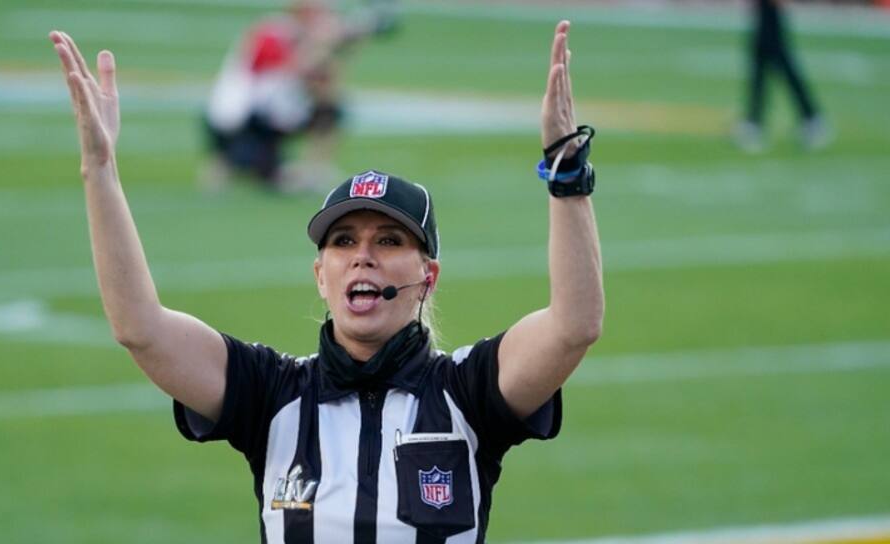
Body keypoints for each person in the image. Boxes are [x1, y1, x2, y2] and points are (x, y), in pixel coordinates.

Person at [48, 19, 603, 543]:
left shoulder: (467, 390)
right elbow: (140, 328)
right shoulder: (272, 392)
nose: (362, 257)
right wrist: (100, 172)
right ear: (321, 276)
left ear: (427, 276)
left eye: (389, 241)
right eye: (343, 242)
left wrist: (567, 176)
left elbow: (573, 326)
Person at [201, 0, 396, 192]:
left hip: (271, 113)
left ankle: (315, 170)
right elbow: (296, 69)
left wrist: (347, 41)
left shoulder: (304, 37)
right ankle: (229, 166)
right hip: (244, 118)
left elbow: (326, 79)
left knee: (328, 110)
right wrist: (327, 43)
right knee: (257, 172)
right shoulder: (273, 32)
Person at [735, 0, 830, 152]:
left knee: (777, 64)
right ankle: (755, 121)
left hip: (771, 14)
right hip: (765, 12)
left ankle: (811, 118)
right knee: (763, 65)